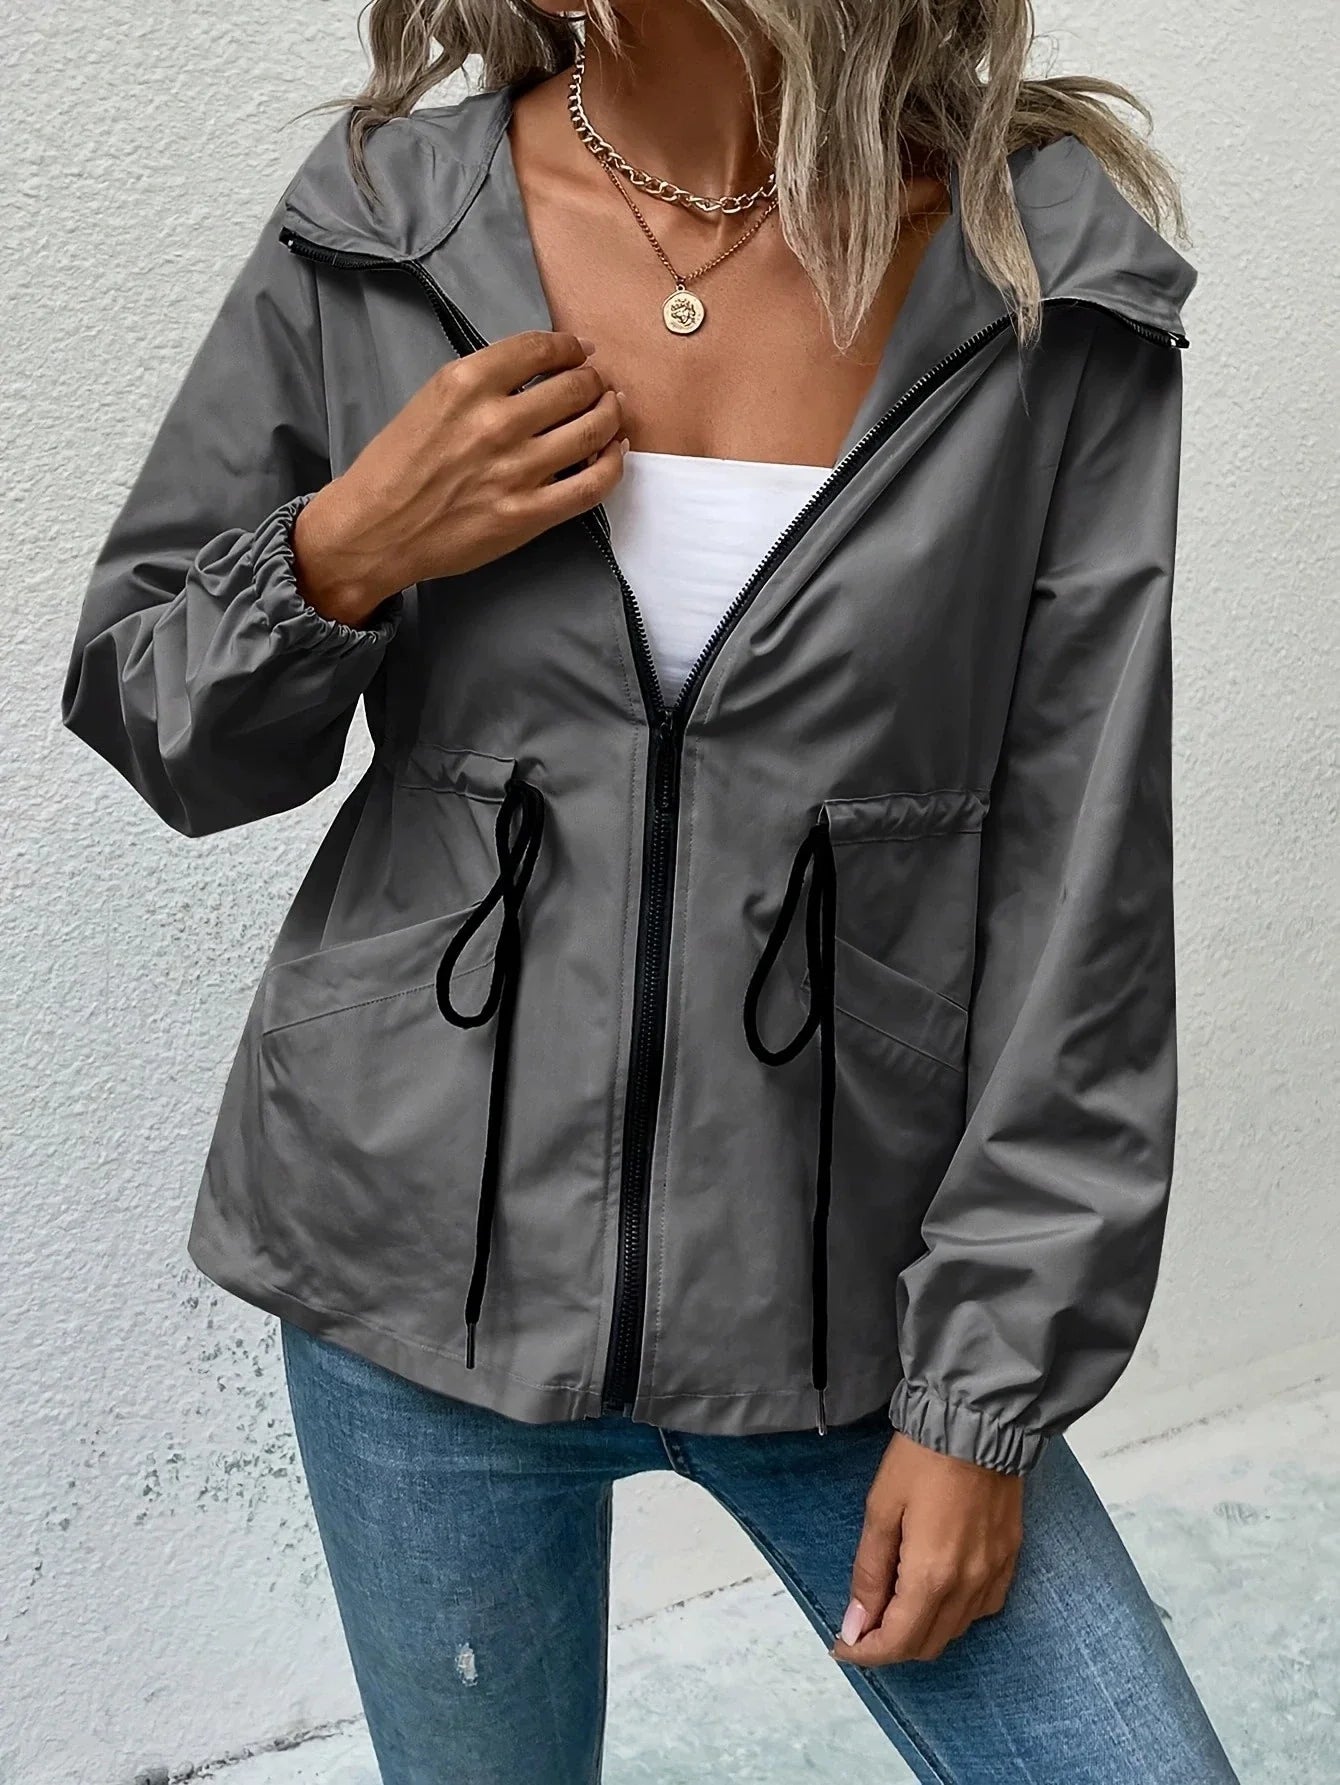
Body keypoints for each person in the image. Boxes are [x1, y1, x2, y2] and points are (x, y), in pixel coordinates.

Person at [60, 2, 1241, 1780]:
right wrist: (344, 550)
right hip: (412, 1286)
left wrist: (983, 1398)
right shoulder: (386, 220)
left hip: (849, 1312)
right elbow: (150, 710)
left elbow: (1085, 891)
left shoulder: (1036, 281)